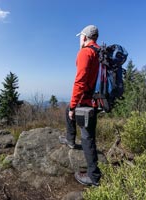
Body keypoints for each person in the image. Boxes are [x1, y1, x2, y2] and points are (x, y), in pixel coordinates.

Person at [59, 25, 101, 186]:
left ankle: (93, 176)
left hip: (87, 101)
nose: (79, 40)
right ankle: (70, 139)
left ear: (84, 37)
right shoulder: (100, 52)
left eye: (80, 37)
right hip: (97, 99)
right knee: (68, 109)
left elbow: (80, 81)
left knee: (87, 137)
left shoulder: (86, 52)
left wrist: (73, 107)